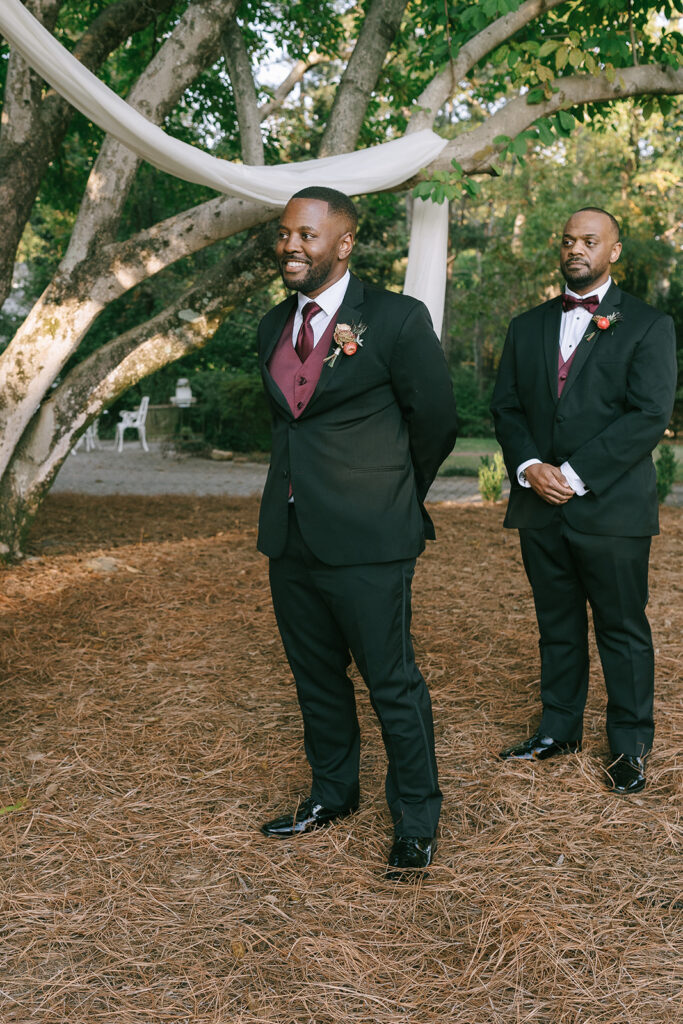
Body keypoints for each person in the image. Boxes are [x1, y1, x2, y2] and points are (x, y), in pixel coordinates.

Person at [256, 186, 458, 878]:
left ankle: (416, 820)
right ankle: (332, 795)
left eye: (308, 236)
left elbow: (435, 422)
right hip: (289, 536)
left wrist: (393, 497)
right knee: (315, 680)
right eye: (286, 234)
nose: (291, 246)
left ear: (343, 244)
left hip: (371, 537)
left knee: (390, 681)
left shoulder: (397, 320)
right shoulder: (270, 327)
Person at [491, 207, 677, 794]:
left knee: (621, 629)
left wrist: (571, 473)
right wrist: (527, 466)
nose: (577, 248)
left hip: (611, 507)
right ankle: (558, 729)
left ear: (614, 251)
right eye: (569, 239)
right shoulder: (526, 325)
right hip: (537, 504)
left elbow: (649, 415)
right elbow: (507, 407)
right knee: (557, 622)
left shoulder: (648, 325)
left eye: (590, 241)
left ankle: (628, 746)